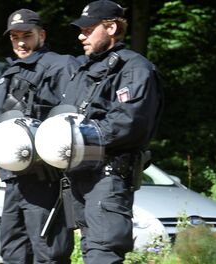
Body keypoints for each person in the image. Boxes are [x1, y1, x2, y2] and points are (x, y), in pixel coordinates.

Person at [61, 1, 163, 263]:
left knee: (102, 252)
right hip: (80, 175)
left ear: (112, 27)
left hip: (109, 176)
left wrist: (77, 138)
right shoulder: (84, 70)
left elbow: (129, 121)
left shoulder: (134, 67)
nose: (81, 36)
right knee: (90, 250)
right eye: (80, 30)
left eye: (88, 29)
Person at [0, 9, 78, 263]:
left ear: (41, 35)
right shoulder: (11, 72)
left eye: (27, 35)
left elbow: (73, 119)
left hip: (46, 179)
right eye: (14, 36)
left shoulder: (60, 66)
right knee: (13, 251)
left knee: (49, 253)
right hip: (13, 179)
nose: (21, 42)